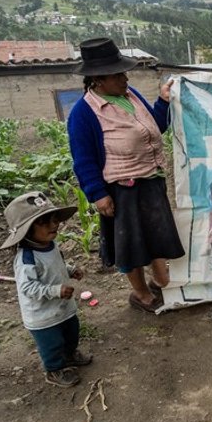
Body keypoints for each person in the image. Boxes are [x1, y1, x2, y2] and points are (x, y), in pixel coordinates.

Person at [67, 37, 185, 313]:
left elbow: (154, 126)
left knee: (156, 236)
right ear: (97, 79)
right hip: (122, 189)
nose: (124, 78)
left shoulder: (131, 97)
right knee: (131, 245)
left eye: (124, 72)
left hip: (151, 181)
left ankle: (161, 281)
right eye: (117, 74)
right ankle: (141, 294)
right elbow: (83, 159)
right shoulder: (84, 113)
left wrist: (164, 102)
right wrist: (98, 194)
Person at [0, 191, 92, 388]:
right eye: (44, 222)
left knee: (71, 332)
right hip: (42, 317)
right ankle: (54, 369)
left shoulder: (51, 245)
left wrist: (70, 271)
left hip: (63, 308)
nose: (54, 225)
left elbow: (55, 266)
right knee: (51, 344)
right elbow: (27, 287)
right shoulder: (26, 258)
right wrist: (55, 291)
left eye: (54, 220)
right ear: (26, 230)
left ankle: (69, 355)